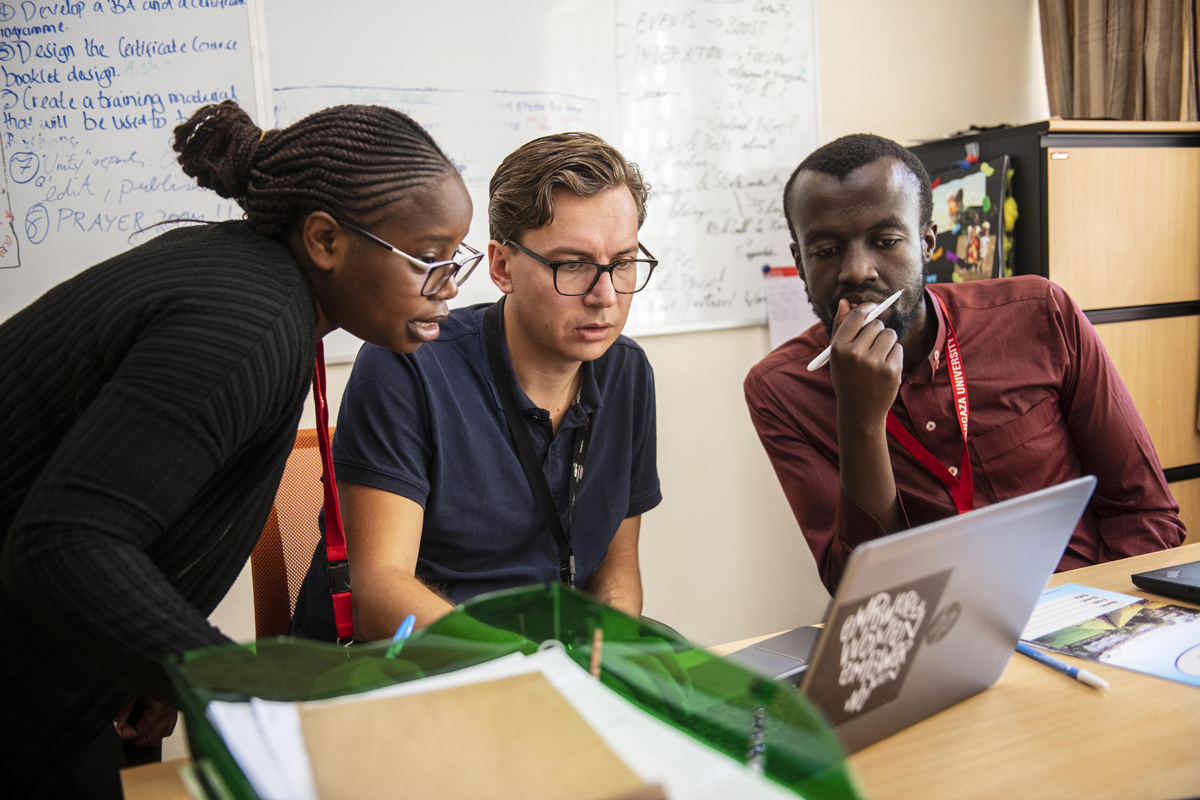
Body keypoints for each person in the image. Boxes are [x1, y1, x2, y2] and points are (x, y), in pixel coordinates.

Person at [0, 99, 479, 796]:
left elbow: (131, 497)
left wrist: (146, 653)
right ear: (324, 240)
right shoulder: (247, 324)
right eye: (427, 261)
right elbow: (62, 540)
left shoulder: (256, 286)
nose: (446, 290)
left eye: (453, 263)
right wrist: (235, 680)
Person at [744, 133, 1185, 595]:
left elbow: (1145, 512)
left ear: (927, 241)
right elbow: (862, 594)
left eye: (886, 240)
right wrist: (859, 420)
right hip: (939, 645)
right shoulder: (780, 389)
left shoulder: (1041, 313)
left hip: (1087, 608)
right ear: (800, 261)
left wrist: (1104, 613)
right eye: (827, 251)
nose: (857, 270)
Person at [290, 132, 661, 641]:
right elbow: (377, 590)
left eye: (621, 264)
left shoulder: (628, 373)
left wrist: (609, 661)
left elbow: (615, 572)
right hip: (410, 670)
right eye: (572, 265)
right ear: (502, 266)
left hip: (545, 670)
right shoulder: (406, 367)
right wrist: (528, 672)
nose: (605, 296)